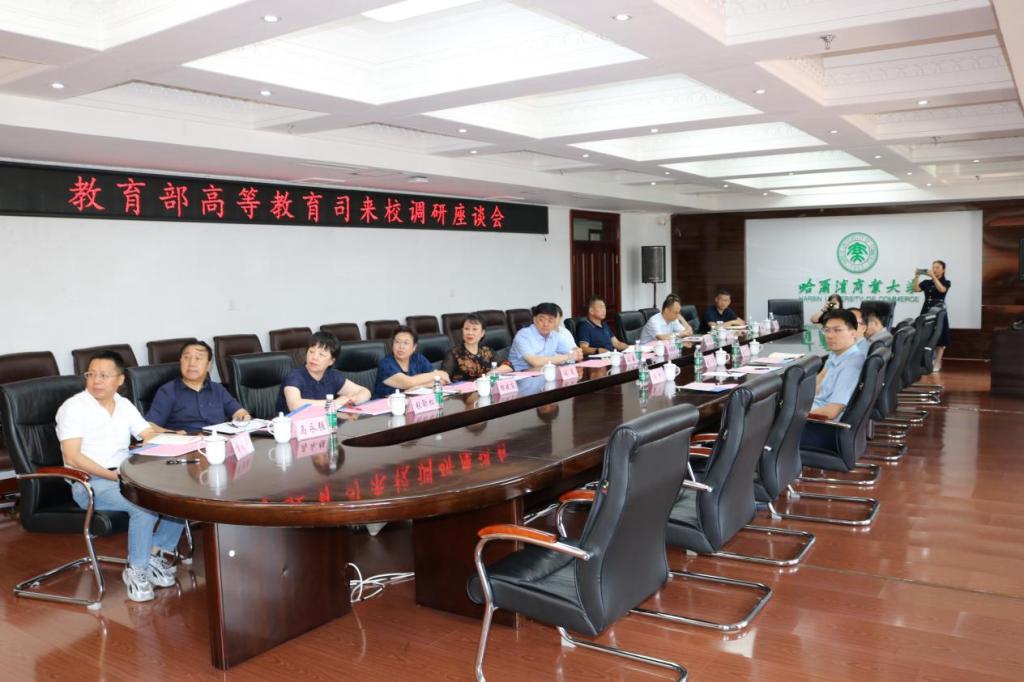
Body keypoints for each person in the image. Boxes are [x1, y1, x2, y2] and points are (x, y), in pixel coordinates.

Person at [56, 350, 185, 602]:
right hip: (89, 483)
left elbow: (147, 433)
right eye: (91, 374)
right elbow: (72, 456)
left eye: (104, 375)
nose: (96, 380)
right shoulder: (73, 408)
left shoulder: (123, 404)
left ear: (120, 379)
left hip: (126, 476)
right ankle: (136, 570)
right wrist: (114, 476)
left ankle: (153, 554)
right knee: (144, 506)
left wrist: (178, 438)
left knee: (178, 495)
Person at [146, 339, 250, 432]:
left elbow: (239, 412)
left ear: (208, 365)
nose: (191, 363)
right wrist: (174, 434)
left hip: (218, 441)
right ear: (180, 361)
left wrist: (243, 417)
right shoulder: (168, 392)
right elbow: (150, 426)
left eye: (198, 358)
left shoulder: (217, 389)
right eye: (186, 358)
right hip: (185, 444)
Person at [277, 332, 370, 413]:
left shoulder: (332, 376)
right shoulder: (294, 377)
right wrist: (334, 403)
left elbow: (365, 392)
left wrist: (353, 400)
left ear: (331, 361)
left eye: (321, 354)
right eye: (311, 351)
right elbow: (294, 405)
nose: (314, 357)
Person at [808, 310, 867, 420]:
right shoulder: (837, 353)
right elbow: (820, 381)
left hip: (817, 423)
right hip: (811, 407)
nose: (830, 336)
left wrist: (793, 416)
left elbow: (831, 412)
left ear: (853, 333)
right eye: (827, 330)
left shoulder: (851, 366)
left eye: (837, 330)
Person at [374, 326, 451, 398]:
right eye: (397, 342)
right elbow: (408, 383)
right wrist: (438, 374)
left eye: (406, 343)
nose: (401, 347)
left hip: (414, 403)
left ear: (414, 347)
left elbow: (441, 381)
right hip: (387, 405)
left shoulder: (418, 359)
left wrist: (418, 387)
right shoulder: (385, 364)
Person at [508, 302, 583, 371]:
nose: (546, 324)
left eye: (550, 321)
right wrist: (569, 356)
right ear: (534, 319)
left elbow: (571, 351)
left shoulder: (554, 335)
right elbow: (536, 362)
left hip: (544, 373)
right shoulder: (523, 335)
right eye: (541, 320)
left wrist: (577, 351)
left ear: (555, 322)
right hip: (521, 374)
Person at [442, 314, 512, 381]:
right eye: (466, 329)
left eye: (474, 329)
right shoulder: (454, 353)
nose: (470, 333)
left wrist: (493, 372)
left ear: (482, 333)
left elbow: (508, 366)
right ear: (462, 331)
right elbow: (443, 376)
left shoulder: (487, 352)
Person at [914, 260, 951, 371]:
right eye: (933, 267)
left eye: (937, 267)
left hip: (939, 311)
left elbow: (942, 290)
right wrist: (916, 277)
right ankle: (927, 361)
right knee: (926, 335)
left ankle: (938, 362)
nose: (934, 269)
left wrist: (934, 277)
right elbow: (916, 289)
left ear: (943, 270)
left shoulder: (946, 282)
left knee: (940, 337)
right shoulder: (926, 282)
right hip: (927, 309)